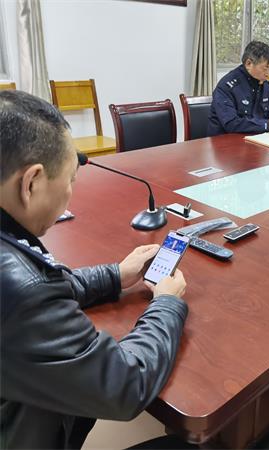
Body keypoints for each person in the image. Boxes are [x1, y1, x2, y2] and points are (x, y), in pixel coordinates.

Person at [0, 90, 188, 449]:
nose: (71, 190)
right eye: (70, 179)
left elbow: (47, 284)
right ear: (31, 183)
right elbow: (127, 385)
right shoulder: (22, 291)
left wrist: (116, 274)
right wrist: (166, 303)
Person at [207, 40, 269, 136]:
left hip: (257, 138)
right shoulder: (227, 86)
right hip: (226, 141)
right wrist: (266, 124)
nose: (268, 73)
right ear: (248, 63)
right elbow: (231, 124)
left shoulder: (265, 84)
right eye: (265, 68)